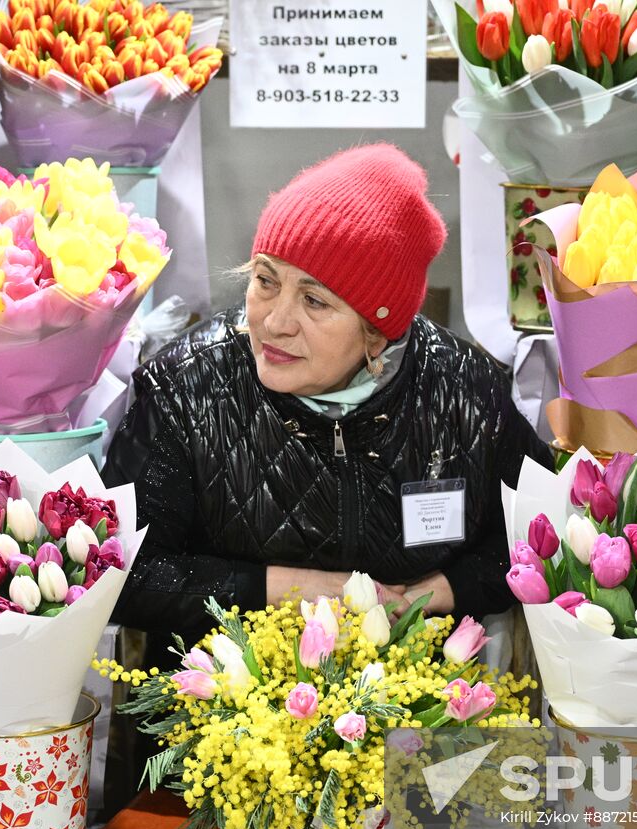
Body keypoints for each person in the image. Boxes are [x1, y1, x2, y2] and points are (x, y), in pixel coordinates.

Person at [102, 143, 552, 667]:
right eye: (266, 281)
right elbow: (119, 576)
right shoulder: (188, 386)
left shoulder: (465, 392)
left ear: (378, 334)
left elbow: (538, 545)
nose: (274, 322)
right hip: (220, 713)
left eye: (315, 301)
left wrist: (428, 596)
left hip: (415, 702)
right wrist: (304, 589)